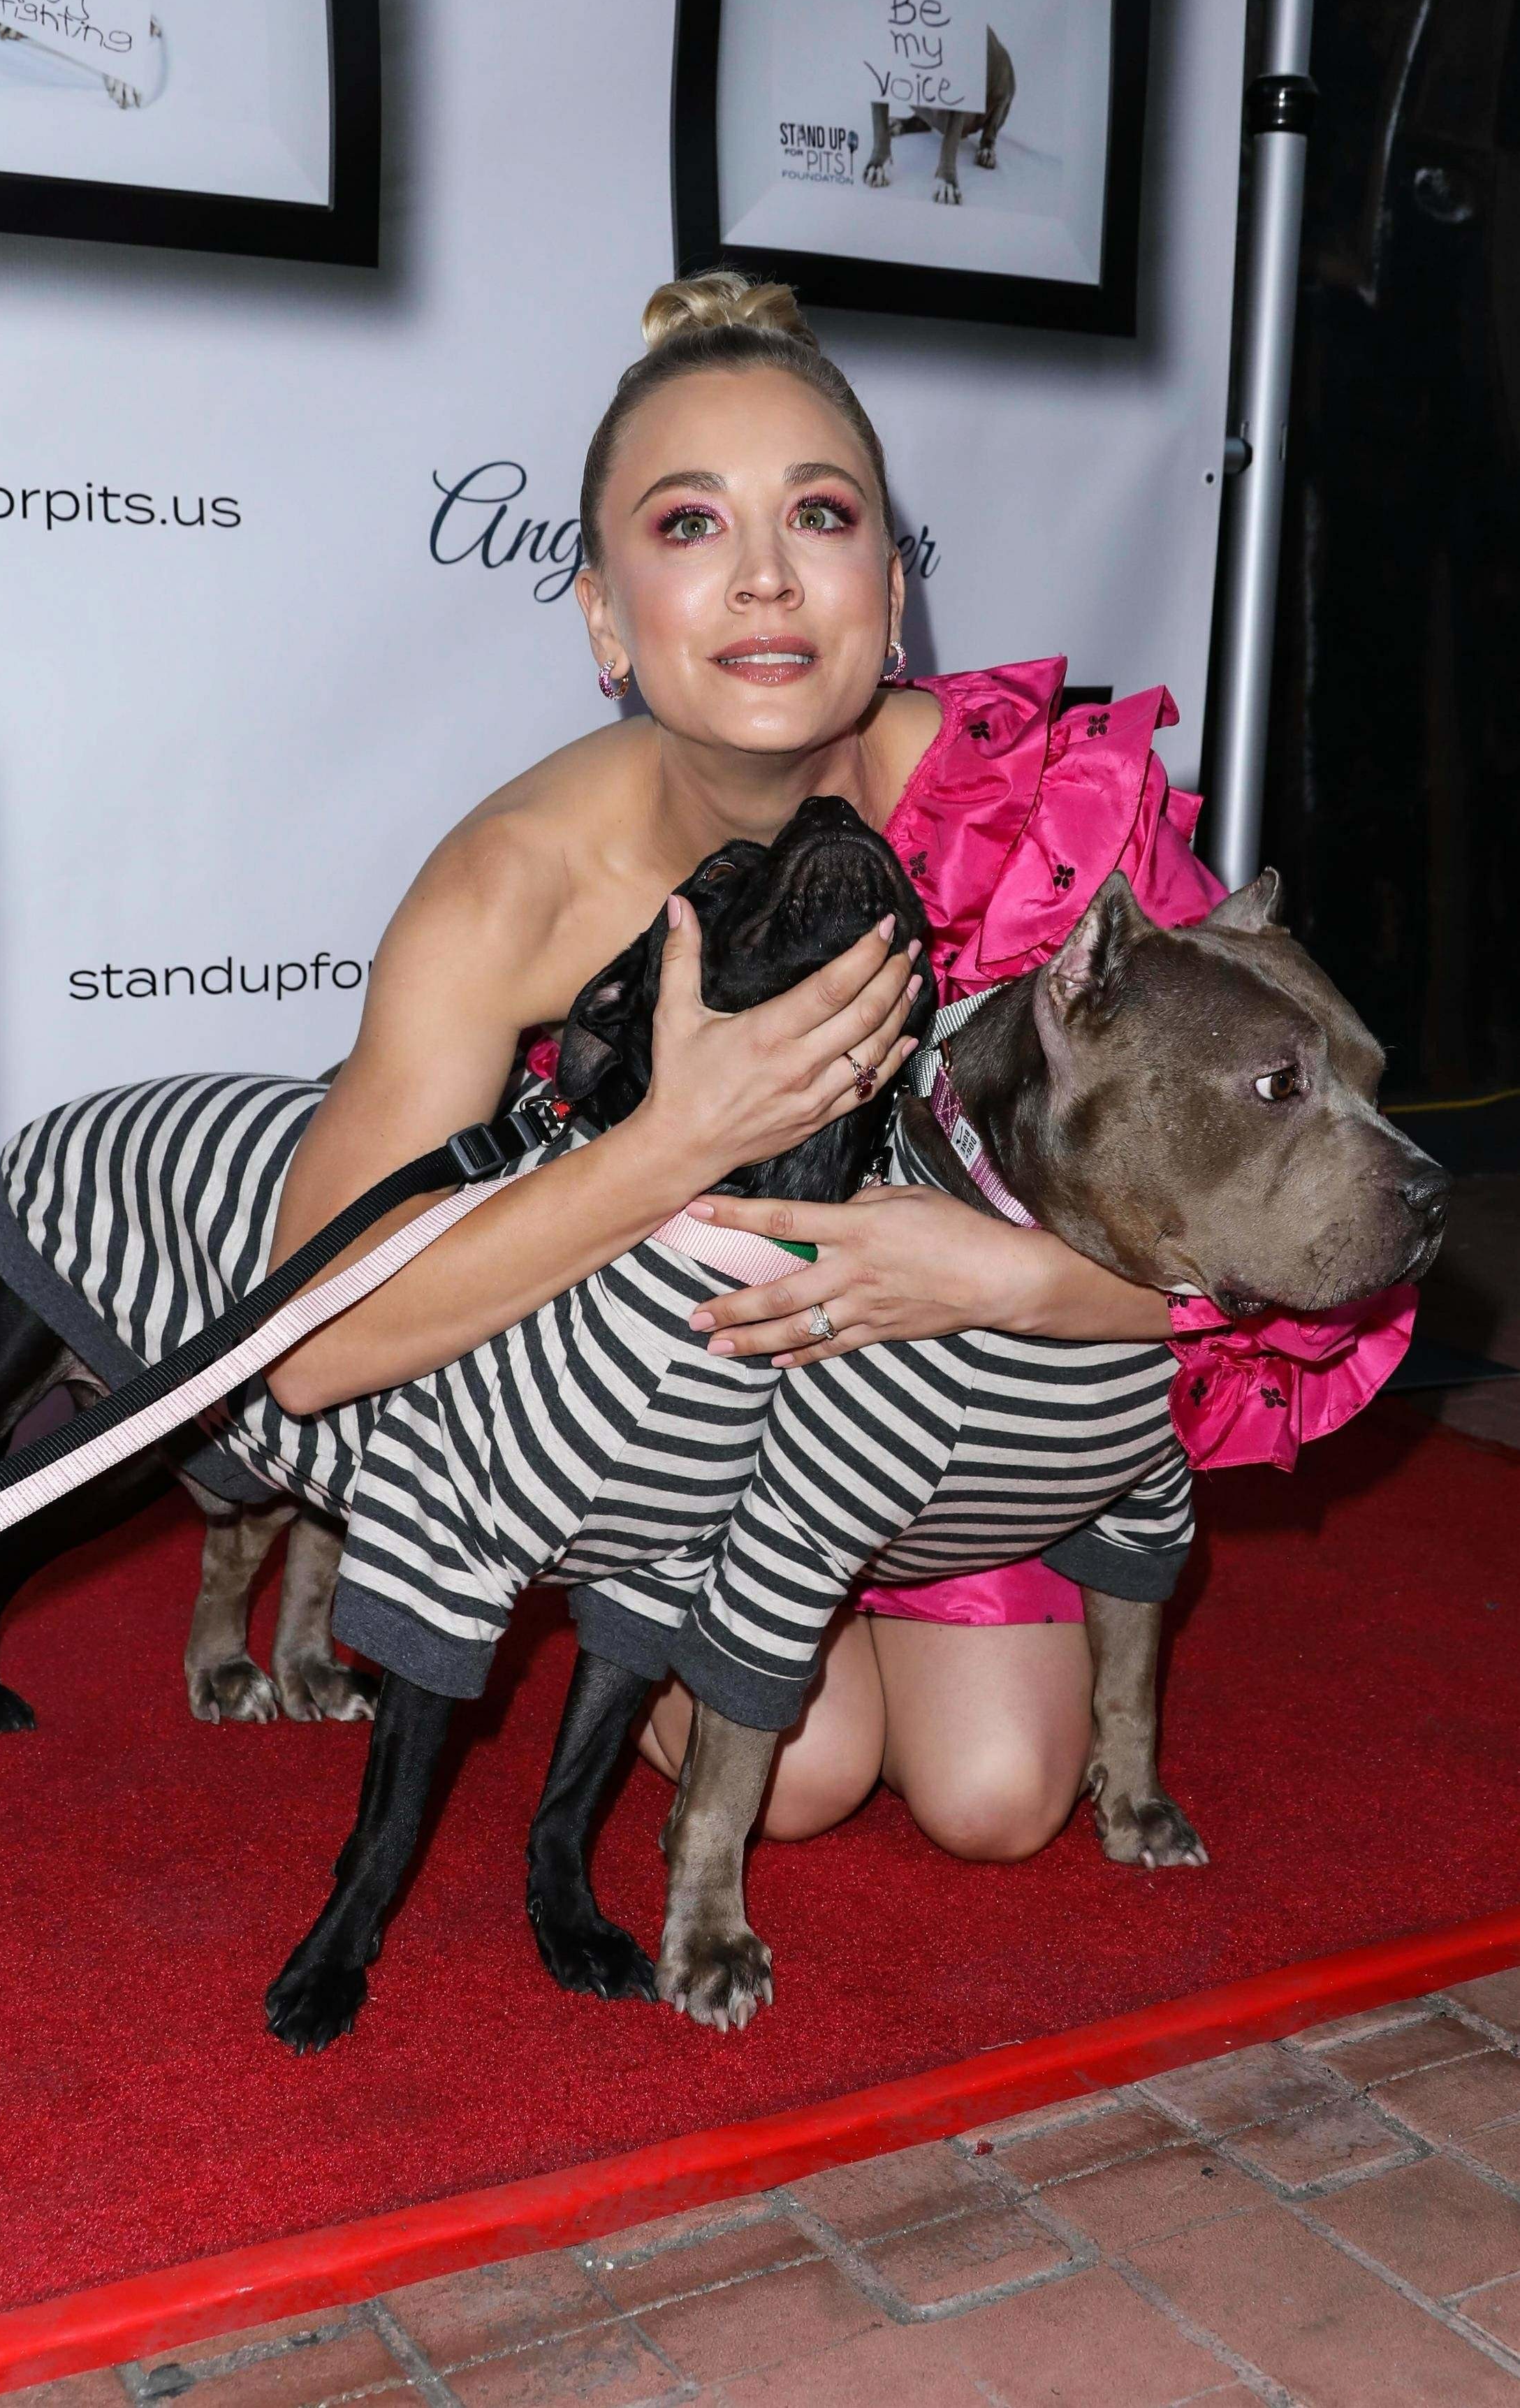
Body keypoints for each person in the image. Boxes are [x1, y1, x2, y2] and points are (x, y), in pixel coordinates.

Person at [265, 270, 1412, 1863]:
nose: (762, 579)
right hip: (671, 1410)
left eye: (818, 515)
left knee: (999, 1798)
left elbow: (1299, 1252)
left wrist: (1014, 1279)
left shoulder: (1050, 828)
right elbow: (312, 1348)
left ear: (890, 589)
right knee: (800, 1780)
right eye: (688, 525)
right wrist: (672, 1142)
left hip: (953, 1412)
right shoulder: (511, 886)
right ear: (601, 616)